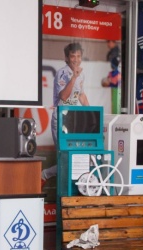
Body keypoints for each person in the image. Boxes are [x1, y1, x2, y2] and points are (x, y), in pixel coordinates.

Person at [41, 42, 90, 187]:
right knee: (65, 158)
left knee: (75, 157)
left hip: (74, 121)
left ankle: (47, 176)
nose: (76, 59)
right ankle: (44, 175)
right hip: (61, 120)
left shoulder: (81, 74)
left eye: (78, 56)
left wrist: (91, 114)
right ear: (67, 58)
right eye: (73, 56)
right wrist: (73, 77)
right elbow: (63, 96)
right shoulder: (62, 73)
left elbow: (81, 96)